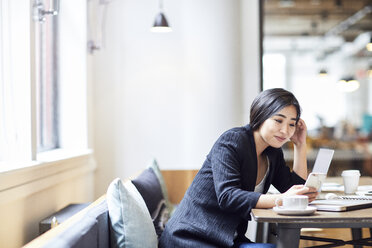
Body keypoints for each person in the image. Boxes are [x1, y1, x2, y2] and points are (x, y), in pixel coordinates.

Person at [158, 88, 318, 248]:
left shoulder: (272, 152)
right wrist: (282, 199)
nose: (285, 130)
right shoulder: (232, 141)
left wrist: (300, 145)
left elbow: (294, 190)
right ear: (261, 115)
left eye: (292, 124)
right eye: (278, 120)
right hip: (190, 237)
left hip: (226, 239)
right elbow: (228, 196)